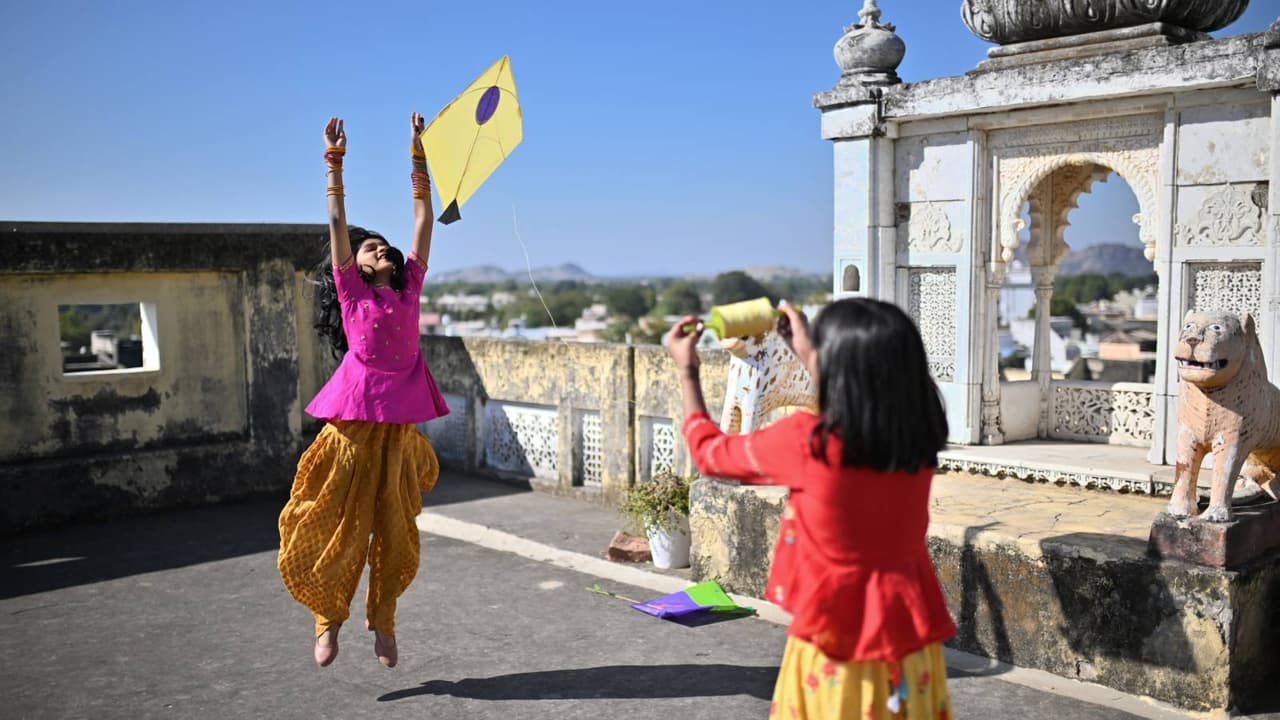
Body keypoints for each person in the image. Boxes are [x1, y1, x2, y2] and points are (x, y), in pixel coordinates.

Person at [664, 298, 956, 719]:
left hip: (836, 643)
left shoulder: (809, 442)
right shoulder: (917, 438)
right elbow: (861, 389)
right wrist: (806, 349)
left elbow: (711, 453)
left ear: (832, 364)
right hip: (909, 643)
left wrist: (687, 371)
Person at [278, 114, 449, 669]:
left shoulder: (411, 288)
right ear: (355, 264)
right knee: (341, 526)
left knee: (395, 530)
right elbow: (335, 218)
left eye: (384, 246)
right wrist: (335, 161)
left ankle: (385, 622)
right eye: (370, 247)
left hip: (397, 428)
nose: (381, 249)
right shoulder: (352, 292)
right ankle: (328, 620)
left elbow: (424, 218)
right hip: (353, 424)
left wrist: (418, 156)